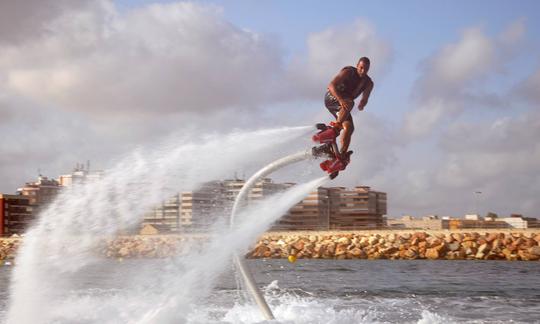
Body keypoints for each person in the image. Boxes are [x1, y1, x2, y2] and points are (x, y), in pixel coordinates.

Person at [324, 56, 374, 157]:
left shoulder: (368, 83)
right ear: (357, 66)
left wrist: (362, 104)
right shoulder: (349, 72)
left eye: (366, 69)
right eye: (361, 68)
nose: (363, 71)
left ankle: (340, 156)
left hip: (343, 106)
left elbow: (365, 98)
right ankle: (335, 128)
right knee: (350, 103)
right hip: (332, 97)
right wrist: (341, 99)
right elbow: (331, 85)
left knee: (349, 128)